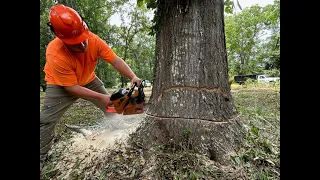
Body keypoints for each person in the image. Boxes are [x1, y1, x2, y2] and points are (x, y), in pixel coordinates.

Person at [40, 4, 142, 171]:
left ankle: (117, 126)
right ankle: (41, 155)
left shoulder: (94, 40)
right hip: (60, 84)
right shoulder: (55, 52)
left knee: (111, 106)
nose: (82, 46)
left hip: (87, 78)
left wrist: (132, 76)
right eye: (75, 43)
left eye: (83, 38)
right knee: (46, 121)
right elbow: (71, 88)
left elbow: (115, 60)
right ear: (60, 38)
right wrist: (100, 96)